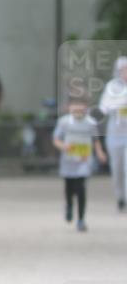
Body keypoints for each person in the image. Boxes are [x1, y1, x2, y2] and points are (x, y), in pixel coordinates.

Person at [52, 96, 106, 232]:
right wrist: (64, 146)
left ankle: (81, 219)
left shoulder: (91, 123)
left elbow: (96, 140)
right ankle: (69, 205)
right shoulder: (64, 122)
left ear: (86, 107)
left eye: (80, 105)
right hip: (68, 160)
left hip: (84, 159)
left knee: (81, 188)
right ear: (69, 107)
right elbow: (56, 139)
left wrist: (99, 153)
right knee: (69, 187)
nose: (77, 108)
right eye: (74, 105)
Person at [98, 56, 127, 211]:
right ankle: (120, 197)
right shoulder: (112, 87)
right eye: (123, 69)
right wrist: (116, 105)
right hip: (115, 134)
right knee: (117, 168)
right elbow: (103, 107)